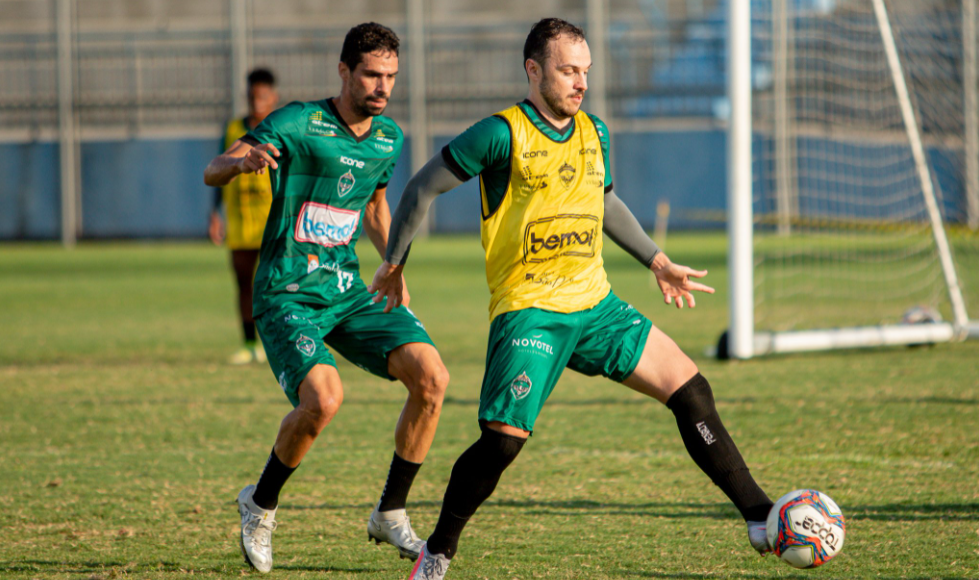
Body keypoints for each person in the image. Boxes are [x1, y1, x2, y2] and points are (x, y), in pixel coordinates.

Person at [368, 18, 775, 579]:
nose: (580, 83)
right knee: (502, 445)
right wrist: (394, 262)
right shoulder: (500, 132)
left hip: (596, 304)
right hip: (530, 309)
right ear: (534, 70)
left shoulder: (595, 132)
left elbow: (604, 201)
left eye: (586, 71)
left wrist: (657, 261)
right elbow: (421, 188)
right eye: (567, 71)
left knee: (692, 390)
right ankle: (436, 554)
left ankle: (760, 516)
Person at [204, 22, 450, 574]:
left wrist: (394, 264)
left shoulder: (388, 138)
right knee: (323, 400)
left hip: (347, 290)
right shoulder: (298, 121)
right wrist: (240, 163)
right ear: (344, 71)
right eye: (370, 74)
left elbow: (374, 208)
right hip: (288, 291)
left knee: (432, 378)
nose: (382, 86)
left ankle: (390, 512)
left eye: (390, 76)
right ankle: (260, 505)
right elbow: (212, 168)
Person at [210, 68, 279, 365]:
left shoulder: (280, 128)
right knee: (243, 283)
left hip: (270, 220)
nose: (256, 103)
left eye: (262, 97)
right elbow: (218, 169)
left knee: (275, 284)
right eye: (252, 97)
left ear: (273, 98)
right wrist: (215, 213)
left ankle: (276, 342)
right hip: (239, 218)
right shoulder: (233, 128)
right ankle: (249, 343)